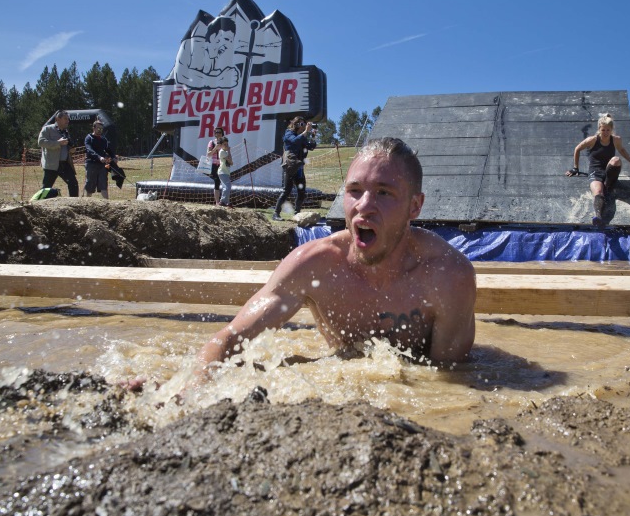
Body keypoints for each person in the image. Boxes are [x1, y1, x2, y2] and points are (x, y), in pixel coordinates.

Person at [196, 137, 477, 377]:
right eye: (355, 191)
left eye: (384, 192)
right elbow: (230, 338)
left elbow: (449, 381)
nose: (364, 206)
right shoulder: (314, 266)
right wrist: (196, 383)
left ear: (414, 206)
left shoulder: (447, 276)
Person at [567, 113, 630, 228]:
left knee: (616, 160)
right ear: (599, 129)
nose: (605, 133)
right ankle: (598, 216)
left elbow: (622, 150)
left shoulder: (616, 140)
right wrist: (576, 168)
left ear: (611, 129)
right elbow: (577, 149)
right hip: (595, 171)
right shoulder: (592, 140)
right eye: (603, 130)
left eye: (608, 130)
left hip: (609, 171)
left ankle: (609, 184)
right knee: (598, 192)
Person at [173, 17, 239, 89]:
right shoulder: (191, 46)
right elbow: (181, 75)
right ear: (212, 37)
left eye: (231, 42)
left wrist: (225, 75)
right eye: (226, 39)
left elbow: (206, 76)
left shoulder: (213, 58)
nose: (228, 45)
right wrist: (219, 80)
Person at [272, 116, 316, 220]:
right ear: (295, 124)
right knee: (287, 190)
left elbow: (311, 147)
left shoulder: (303, 136)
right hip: (291, 166)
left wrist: (313, 136)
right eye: (301, 124)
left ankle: (297, 213)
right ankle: (276, 213)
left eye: (304, 124)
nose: (303, 126)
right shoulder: (288, 133)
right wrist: (305, 131)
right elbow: (295, 141)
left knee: (301, 191)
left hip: (299, 167)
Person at [38, 110, 79, 197]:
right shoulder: (47, 129)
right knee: (46, 188)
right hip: (51, 164)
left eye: (68, 119)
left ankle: (74, 204)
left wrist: (71, 150)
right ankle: (39, 206)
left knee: (73, 183)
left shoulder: (66, 131)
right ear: (57, 119)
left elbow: (67, 146)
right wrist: (58, 143)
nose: (67, 121)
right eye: (65, 119)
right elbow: (41, 142)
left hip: (65, 164)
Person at [84, 119, 118, 199]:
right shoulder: (89, 138)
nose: (100, 130)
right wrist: (99, 157)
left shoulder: (103, 140)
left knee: (103, 184)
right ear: (94, 128)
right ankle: (87, 202)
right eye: (98, 128)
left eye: (101, 129)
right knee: (90, 185)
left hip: (102, 165)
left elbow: (108, 150)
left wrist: (113, 157)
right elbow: (89, 150)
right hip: (91, 163)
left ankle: (107, 203)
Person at [205, 126, 226, 205]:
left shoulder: (225, 142)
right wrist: (215, 148)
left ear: (222, 133)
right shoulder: (212, 142)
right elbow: (208, 154)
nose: (218, 134)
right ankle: (217, 202)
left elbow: (228, 152)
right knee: (217, 182)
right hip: (214, 165)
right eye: (216, 132)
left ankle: (224, 200)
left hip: (223, 164)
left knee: (225, 182)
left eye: (219, 132)